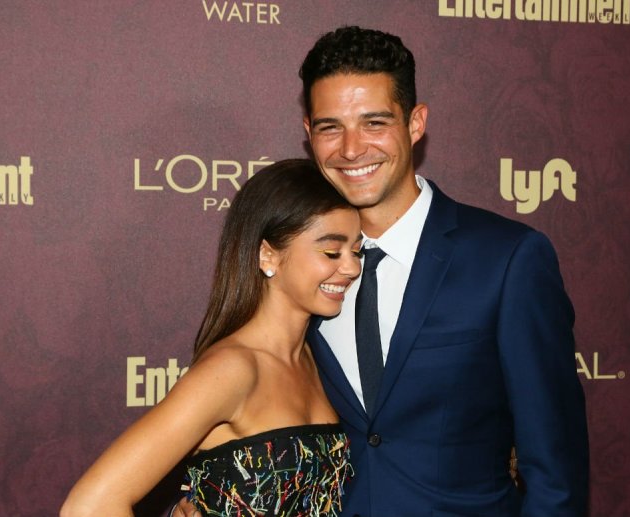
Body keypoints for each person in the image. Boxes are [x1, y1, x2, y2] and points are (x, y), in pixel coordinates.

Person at [177, 25, 589, 517]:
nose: (352, 149)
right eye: (331, 127)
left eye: (374, 122)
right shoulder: (297, 270)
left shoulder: (507, 259)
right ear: (308, 134)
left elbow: (555, 475)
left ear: (415, 123)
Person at [61, 159, 360, 517]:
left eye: (356, 250)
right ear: (268, 255)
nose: (351, 267)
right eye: (331, 251)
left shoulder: (314, 357)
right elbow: (90, 505)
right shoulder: (232, 370)